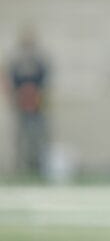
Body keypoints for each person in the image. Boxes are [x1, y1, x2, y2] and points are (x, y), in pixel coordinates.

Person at [8, 25, 50, 177]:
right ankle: (21, 167)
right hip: (22, 105)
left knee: (39, 136)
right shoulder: (17, 62)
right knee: (21, 137)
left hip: (37, 105)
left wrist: (37, 97)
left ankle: (39, 166)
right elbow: (12, 81)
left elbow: (45, 80)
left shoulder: (39, 61)